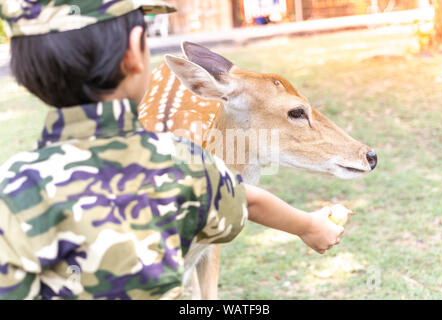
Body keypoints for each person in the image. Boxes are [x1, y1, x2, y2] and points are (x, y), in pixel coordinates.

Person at [0, 0, 344, 300]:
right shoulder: (184, 161)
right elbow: (250, 201)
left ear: (26, 74)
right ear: (134, 53)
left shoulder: (15, 185)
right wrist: (310, 226)